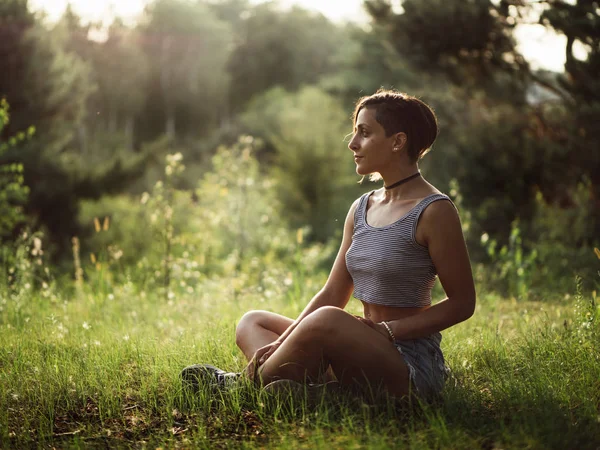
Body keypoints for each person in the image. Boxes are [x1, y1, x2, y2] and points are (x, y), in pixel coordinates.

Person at [182, 89, 476, 401]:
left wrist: (388, 331)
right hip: (355, 349)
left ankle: (240, 387)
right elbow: (333, 293)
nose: (352, 144)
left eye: (364, 133)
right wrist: (286, 342)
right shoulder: (362, 207)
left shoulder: (434, 211)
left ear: (397, 141)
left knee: (329, 320)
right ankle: (322, 395)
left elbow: (462, 303)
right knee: (253, 321)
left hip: (406, 361)